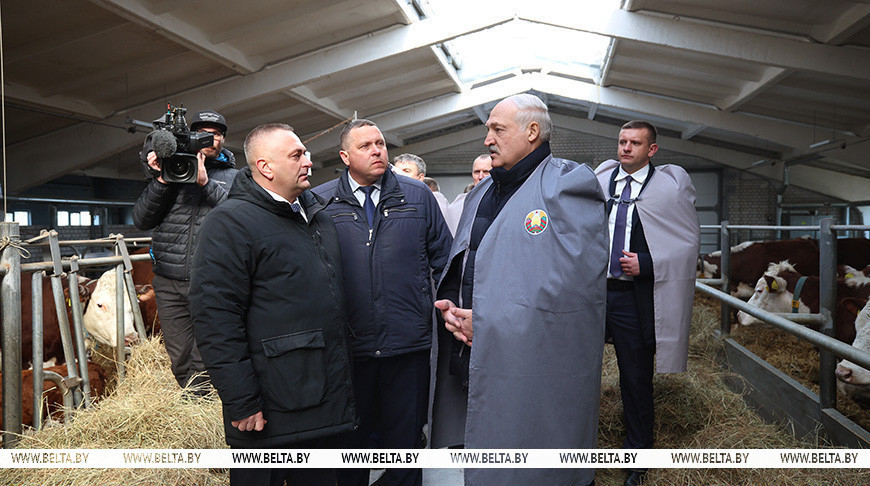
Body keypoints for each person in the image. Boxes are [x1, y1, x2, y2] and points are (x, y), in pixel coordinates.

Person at [431, 94, 607, 486]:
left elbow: (572, 290)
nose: (487, 140)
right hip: (474, 353)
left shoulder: (568, 186)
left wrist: (490, 323)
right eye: (487, 130)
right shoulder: (482, 192)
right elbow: (467, 261)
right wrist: (454, 310)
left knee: (533, 456)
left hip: (535, 362)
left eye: (498, 129)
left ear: (532, 132)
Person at [189, 123, 357, 486]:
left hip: (320, 399)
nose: (308, 161)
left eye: (305, 153)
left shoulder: (317, 216)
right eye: (297, 155)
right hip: (268, 408)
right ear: (265, 167)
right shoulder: (230, 223)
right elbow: (215, 319)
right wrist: (241, 400)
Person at [313, 120, 452, 486]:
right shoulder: (322, 202)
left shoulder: (417, 196)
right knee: (351, 446)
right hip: (349, 349)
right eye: (365, 146)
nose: (377, 150)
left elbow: (445, 261)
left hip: (407, 345)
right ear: (344, 157)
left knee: (405, 443)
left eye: (380, 143)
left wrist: (444, 309)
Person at [594, 121, 700, 486]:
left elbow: (687, 245)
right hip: (592, 295)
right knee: (577, 370)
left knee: (635, 379)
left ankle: (637, 458)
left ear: (651, 149)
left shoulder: (668, 190)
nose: (626, 148)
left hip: (632, 298)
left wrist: (649, 263)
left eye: (635, 143)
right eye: (622, 141)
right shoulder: (601, 182)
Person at [132, 110, 237, 394]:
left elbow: (239, 218)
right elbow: (141, 220)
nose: (209, 139)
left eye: (215, 134)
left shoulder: (236, 177)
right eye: (201, 133)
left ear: (223, 140)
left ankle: (200, 404)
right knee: (179, 357)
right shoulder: (171, 172)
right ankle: (191, 398)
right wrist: (163, 180)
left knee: (206, 355)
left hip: (212, 280)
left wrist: (205, 183)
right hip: (168, 281)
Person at [444, 154, 492, 234]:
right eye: (477, 172)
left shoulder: (505, 201)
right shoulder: (458, 205)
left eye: (486, 172)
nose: (480, 176)